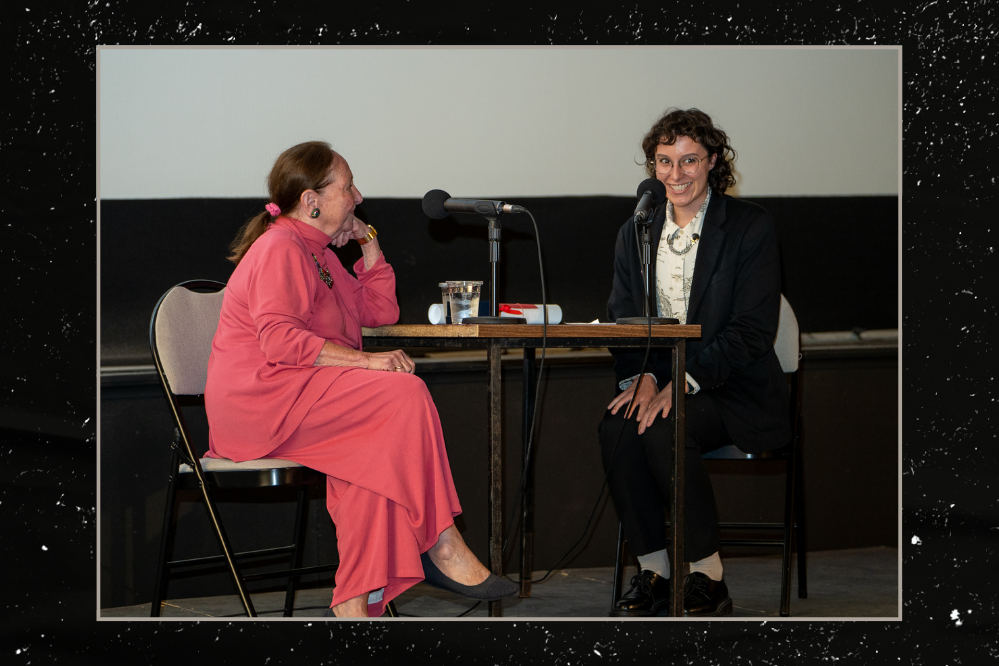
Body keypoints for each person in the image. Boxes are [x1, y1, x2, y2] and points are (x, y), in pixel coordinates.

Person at [204, 140, 517, 617]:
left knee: (375, 460)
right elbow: (281, 343)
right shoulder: (279, 248)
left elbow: (379, 310)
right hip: (259, 403)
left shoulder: (319, 253)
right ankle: (441, 541)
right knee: (402, 393)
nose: (359, 196)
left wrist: (369, 244)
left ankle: (355, 604)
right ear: (312, 201)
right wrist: (368, 363)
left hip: (298, 397)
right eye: (348, 188)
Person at [600, 108, 790, 617]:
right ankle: (655, 570)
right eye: (664, 161)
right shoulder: (636, 230)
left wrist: (683, 382)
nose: (675, 173)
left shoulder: (749, 227)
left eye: (688, 160)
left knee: (667, 426)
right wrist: (640, 376)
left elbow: (752, 331)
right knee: (616, 425)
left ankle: (708, 575)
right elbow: (623, 317)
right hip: (661, 380)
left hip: (735, 387)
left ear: (712, 162)